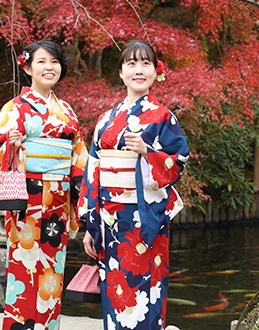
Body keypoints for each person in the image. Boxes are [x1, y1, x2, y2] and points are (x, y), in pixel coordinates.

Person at [78, 40, 189, 330]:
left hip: (145, 218)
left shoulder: (164, 116)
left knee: (146, 292)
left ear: (155, 72)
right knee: (115, 291)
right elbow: (93, 170)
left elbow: (178, 160)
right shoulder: (105, 120)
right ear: (120, 72)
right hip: (110, 219)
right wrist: (90, 224)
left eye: (145, 64)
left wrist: (146, 150)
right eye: (131, 64)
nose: (138, 70)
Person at [0, 40, 88, 330]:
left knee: (52, 276)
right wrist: (12, 144)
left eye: (54, 62)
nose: (49, 67)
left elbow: (79, 158)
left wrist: (85, 197)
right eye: (42, 61)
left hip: (58, 201)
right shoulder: (14, 108)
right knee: (24, 270)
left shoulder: (66, 110)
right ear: (28, 66)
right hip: (26, 202)